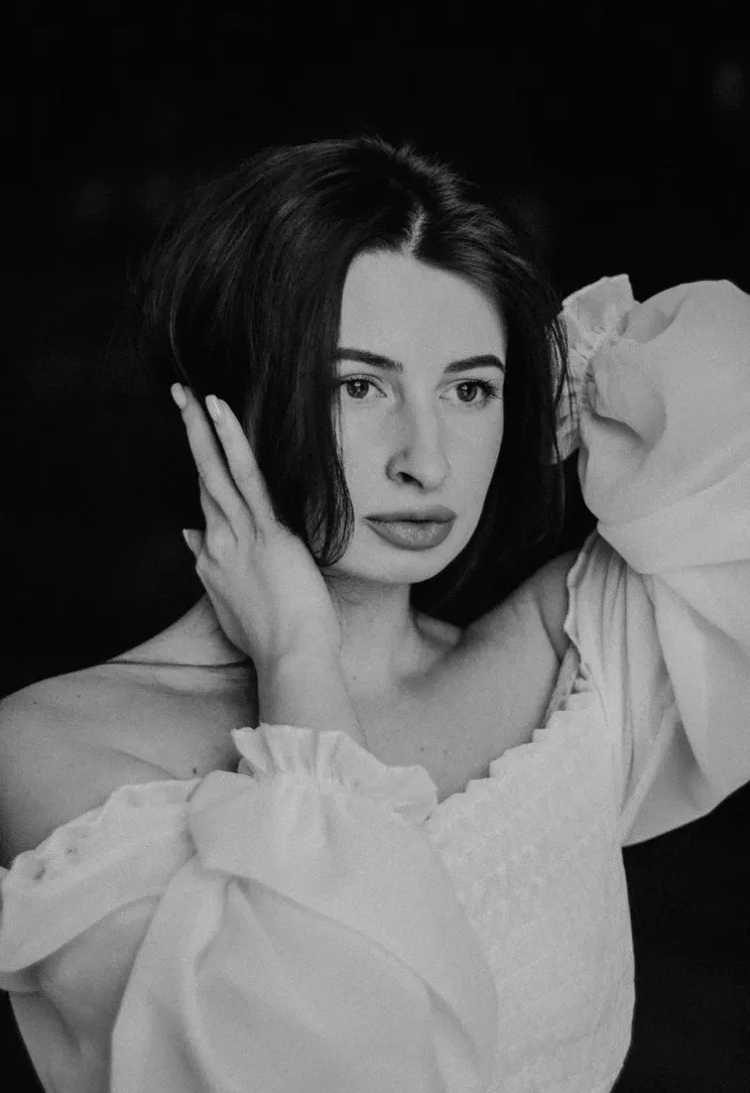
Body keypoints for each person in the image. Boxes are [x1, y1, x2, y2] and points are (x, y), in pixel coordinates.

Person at [0, 135, 748, 1093]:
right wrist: (299, 659)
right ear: (225, 399)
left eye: (470, 389)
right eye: (358, 385)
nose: (425, 461)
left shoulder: (569, 663)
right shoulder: (56, 748)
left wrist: (583, 372)